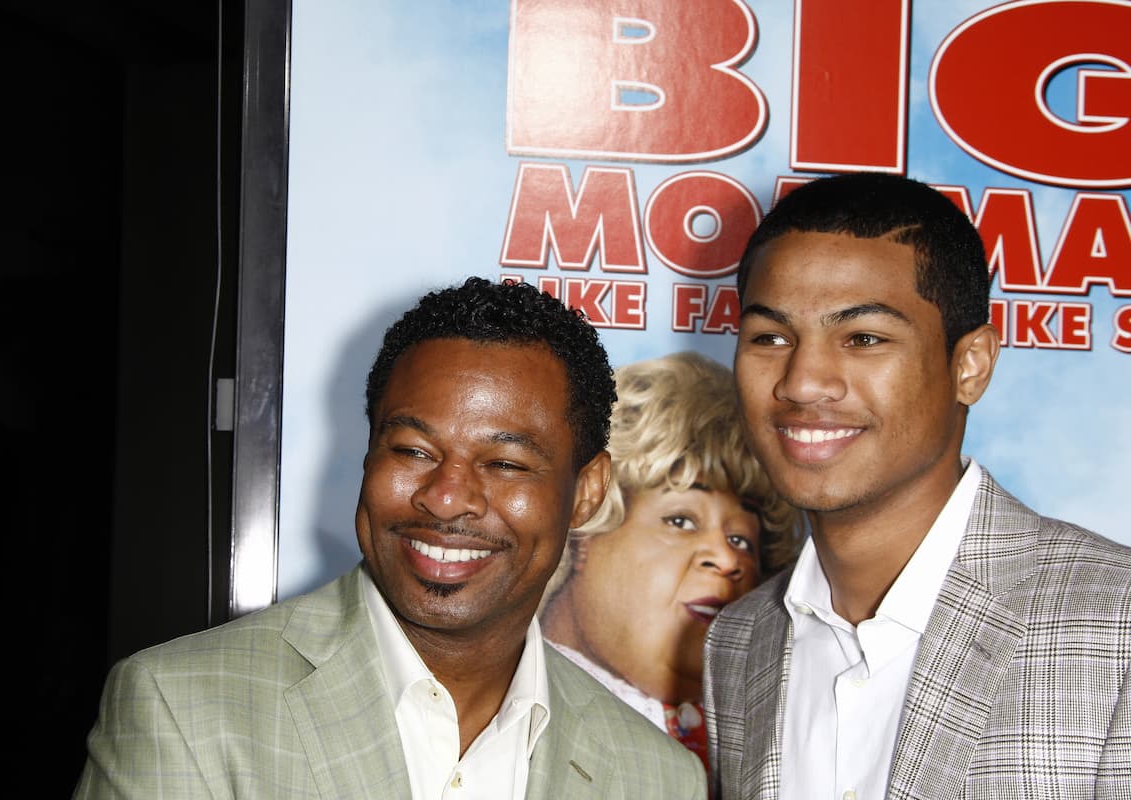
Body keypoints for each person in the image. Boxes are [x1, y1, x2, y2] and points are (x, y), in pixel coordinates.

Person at [76, 277, 706, 799]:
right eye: (411, 449)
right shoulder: (182, 709)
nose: (447, 495)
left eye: (505, 463)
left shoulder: (656, 777)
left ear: (589, 491)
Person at [703, 173, 1131, 800]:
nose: (802, 382)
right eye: (770, 338)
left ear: (971, 365)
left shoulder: (1113, 620)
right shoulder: (738, 641)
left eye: (864, 339)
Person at [538, 351, 800, 768]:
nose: (727, 558)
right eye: (681, 520)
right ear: (584, 530)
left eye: (742, 540)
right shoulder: (506, 710)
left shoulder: (775, 733)